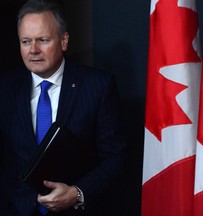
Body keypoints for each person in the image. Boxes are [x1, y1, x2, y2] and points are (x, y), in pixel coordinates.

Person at [0, 0, 126, 215]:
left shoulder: (98, 86)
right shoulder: (5, 89)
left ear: (64, 41)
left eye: (43, 40)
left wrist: (78, 192)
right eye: (25, 41)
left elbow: (115, 155)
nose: (33, 50)